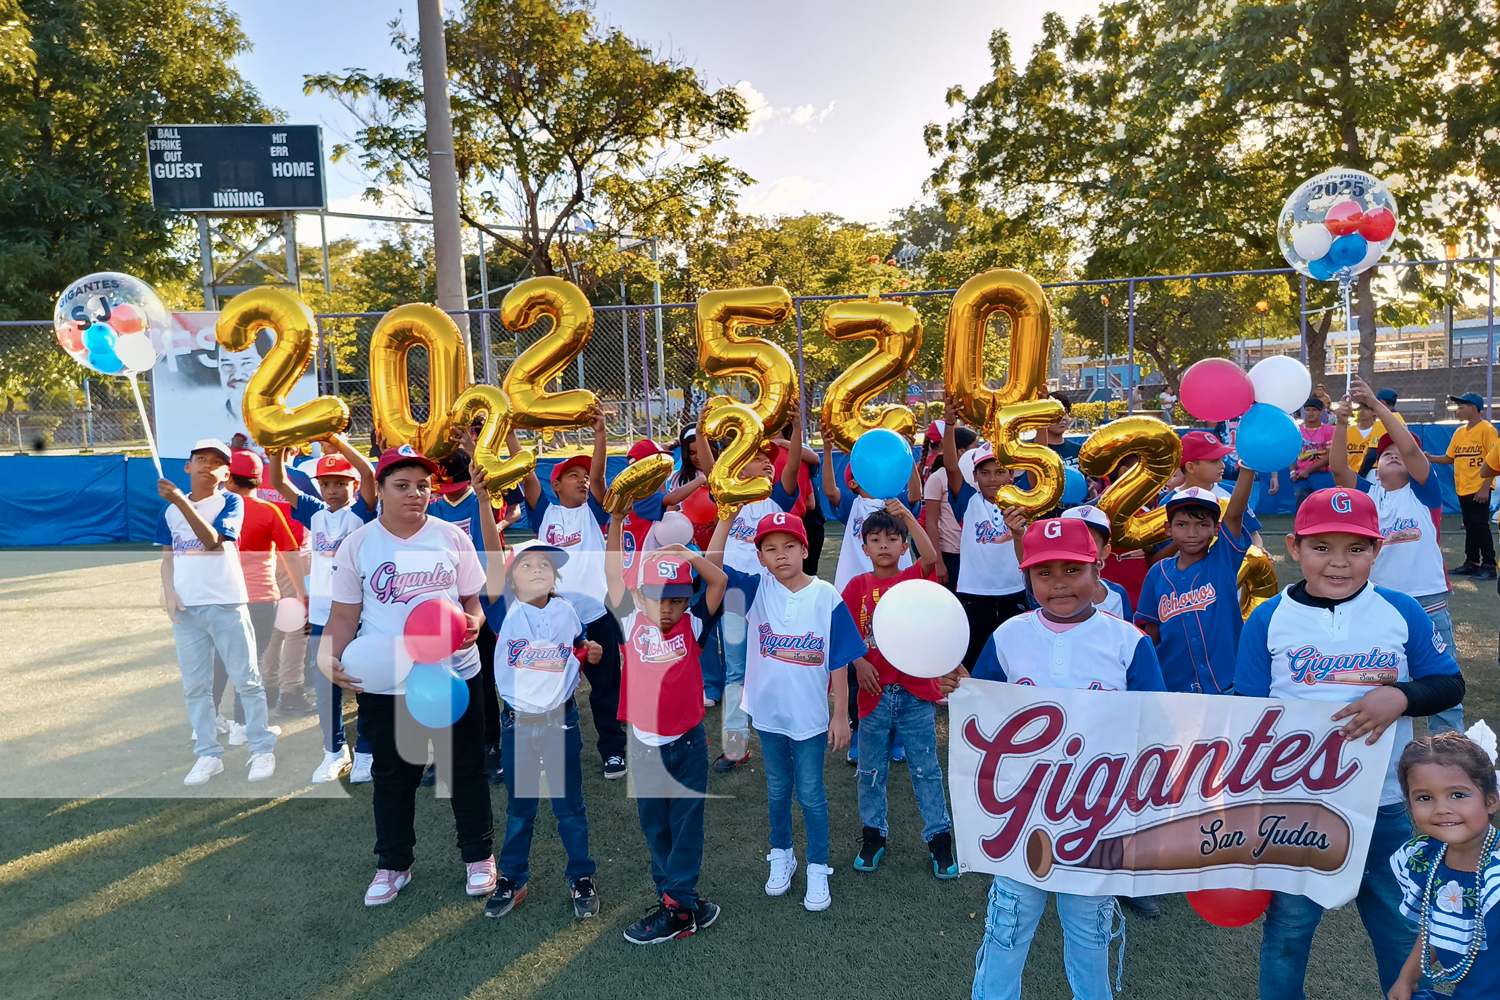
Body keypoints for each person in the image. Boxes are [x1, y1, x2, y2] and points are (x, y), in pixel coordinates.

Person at [1234, 487, 1464, 999]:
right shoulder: (1268, 619)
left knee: (1401, 927)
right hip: (1298, 807)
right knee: (1289, 930)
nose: (1338, 563)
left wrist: (1400, 697)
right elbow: (1247, 714)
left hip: (1383, 803)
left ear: (1377, 551)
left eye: (1356, 549)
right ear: (1294, 547)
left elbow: (1449, 683)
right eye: (1322, 548)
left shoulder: (1401, 610)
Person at [941, 517, 1165, 1000]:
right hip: (1020, 813)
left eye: (1073, 569)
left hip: (1095, 818)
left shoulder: (1129, 642)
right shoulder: (1008, 636)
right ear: (1027, 578)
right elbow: (985, 713)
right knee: (1007, 929)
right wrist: (963, 692)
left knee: (1088, 935)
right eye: (1044, 573)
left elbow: (1157, 726)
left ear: (1098, 567)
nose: (1059, 583)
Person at [322, 446, 496, 907]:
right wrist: (329, 660)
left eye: (423, 485)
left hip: (453, 674)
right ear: (378, 490)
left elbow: (473, 603)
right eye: (402, 485)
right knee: (393, 774)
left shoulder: (451, 536)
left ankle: (478, 857)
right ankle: (393, 864)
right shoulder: (359, 544)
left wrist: (474, 624)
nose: (415, 494)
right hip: (387, 680)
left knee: (464, 768)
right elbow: (343, 617)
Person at [707, 509, 865, 912]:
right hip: (768, 714)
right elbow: (712, 569)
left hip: (810, 717)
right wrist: (725, 517)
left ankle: (817, 864)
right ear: (759, 557)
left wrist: (841, 713)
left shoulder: (826, 594)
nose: (780, 555)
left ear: (805, 549)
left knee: (811, 794)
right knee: (778, 788)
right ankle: (782, 854)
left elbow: (840, 660)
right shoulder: (756, 589)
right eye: (770, 549)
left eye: (789, 546)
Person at [604, 530, 727, 944]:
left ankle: (676, 907)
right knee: (655, 827)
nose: (669, 608)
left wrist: (682, 553)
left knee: (686, 826)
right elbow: (612, 576)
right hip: (644, 748)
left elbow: (719, 581)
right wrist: (617, 517)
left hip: (688, 745)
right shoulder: (628, 621)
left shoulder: (693, 624)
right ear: (640, 598)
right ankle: (678, 900)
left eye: (677, 599)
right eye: (659, 598)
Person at [1331, 376, 1463, 736]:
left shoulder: (1423, 491)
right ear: (1374, 466)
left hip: (1427, 601)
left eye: (1400, 453)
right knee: (1380, 680)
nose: (1393, 453)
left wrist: (1376, 406)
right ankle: (1385, 751)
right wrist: (1341, 423)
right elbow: (1338, 468)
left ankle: (1451, 749)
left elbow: (1407, 447)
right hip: (1378, 604)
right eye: (1384, 452)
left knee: (1440, 683)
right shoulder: (1367, 495)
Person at [482, 541, 604, 921]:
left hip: (561, 723)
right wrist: (485, 501)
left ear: (555, 577)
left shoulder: (567, 611)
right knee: (521, 809)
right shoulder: (505, 611)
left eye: (545, 565)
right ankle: (513, 878)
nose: (537, 570)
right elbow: (489, 548)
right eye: (526, 565)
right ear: (511, 579)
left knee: (570, 808)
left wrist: (590, 646)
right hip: (518, 725)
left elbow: (580, 640)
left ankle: (581, 876)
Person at [841, 503, 957, 880]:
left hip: (915, 695)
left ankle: (939, 841)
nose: (884, 545)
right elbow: (845, 638)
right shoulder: (856, 587)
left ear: (903, 545)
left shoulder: (913, 579)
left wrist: (907, 516)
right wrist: (859, 663)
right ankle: (873, 836)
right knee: (871, 771)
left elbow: (931, 556)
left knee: (926, 770)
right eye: (875, 539)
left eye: (893, 539)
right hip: (873, 696)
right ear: (864, 547)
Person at [155, 438, 277, 785]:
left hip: (226, 602)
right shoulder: (167, 511)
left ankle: (261, 749)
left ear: (226, 473)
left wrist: (179, 499)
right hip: (187, 610)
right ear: (187, 466)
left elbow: (211, 542)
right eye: (200, 458)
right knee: (196, 687)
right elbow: (168, 557)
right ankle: (208, 755)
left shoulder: (231, 501)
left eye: (217, 462)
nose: (207, 464)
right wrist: (169, 594)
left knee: (247, 680)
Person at [517, 407, 628, 779]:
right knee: (550, 686)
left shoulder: (594, 511)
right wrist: (507, 429)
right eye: (573, 476)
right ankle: (549, 750)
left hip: (595, 614)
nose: (582, 481)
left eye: (584, 476)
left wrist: (600, 433)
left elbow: (599, 478)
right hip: (552, 617)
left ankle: (613, 750)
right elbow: (525, 471)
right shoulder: (543, 512)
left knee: (605, 688)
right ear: (557, 484)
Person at [694, 399, 803, 771]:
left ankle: (793, 732)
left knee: (782, 662)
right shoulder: (726, 493)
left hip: (774, 591)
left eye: (768, 456)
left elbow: (792, 467)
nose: (768, 461)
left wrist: (797, 426)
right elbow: (710, 466)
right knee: (738, 670)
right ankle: (736, 746)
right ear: (739, 462)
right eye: (759, 456)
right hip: (737, 592)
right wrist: (701, 425)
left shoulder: (777, 498)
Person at [268, 437, 378, 785]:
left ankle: (367, 752)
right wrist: (275, 445)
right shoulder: (314, 513)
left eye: (340, 483)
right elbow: (277, 482)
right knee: (325, 685)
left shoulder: (361, 512)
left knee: (365, 683)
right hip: (321, 614)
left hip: (358, 614)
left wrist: (336, 442)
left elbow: (369, 473)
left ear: (352, 486)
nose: (332, 490)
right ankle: (334, 752)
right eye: (326, 484)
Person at [430, 439, 517, 785]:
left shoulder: (478, 504)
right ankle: (447, 751)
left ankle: (490, 745)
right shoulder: (434, 507)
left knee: (482, 680)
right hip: (440, 604)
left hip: (479, 603)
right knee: (440, 681)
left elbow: (489, 559)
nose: (451, 492)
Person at [1388, 731, 1500, 1000]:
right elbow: (1439, 925)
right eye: (1424, 798)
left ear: (1491, 800)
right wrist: (1407, 977)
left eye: (1458, 795)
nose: (1441, 808)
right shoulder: (1429, 859)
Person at [1133, 467, 1255, 696]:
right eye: (1182, 525)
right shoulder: (1158, 573)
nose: (1192, 533)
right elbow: (1151, 631)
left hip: (1226, 681)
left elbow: (1235, 514)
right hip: (1173, 683)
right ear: (1168, 529)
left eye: (1202, 525)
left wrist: (1247, 467)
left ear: (1216, 529)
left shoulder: (1222, 561)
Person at [941, 397, 1030, 669]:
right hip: (973, 590)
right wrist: (949, 423)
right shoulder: (967, 499)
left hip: (1014, 589)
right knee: (974, 653)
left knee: (1013, 654)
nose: (993, 479)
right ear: (975, 476)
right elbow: (951, 466)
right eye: (985, 472)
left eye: (1000, 472)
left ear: (1012, 475)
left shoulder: (1023, 500)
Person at [222, 449, 306, 721]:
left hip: (224, 594)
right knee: (257, 656)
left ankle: (217, 720)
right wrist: (303, 592)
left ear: (229, 477)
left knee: (227, 660)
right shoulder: (270, 507)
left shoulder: (214, 507)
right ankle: (249, 717)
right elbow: (291, 552)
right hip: (263, 590)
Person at [1425, 392, 1497, 580]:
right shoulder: (1459, 432)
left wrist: (1485, 487)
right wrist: (1430, 457)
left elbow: (1493, 462)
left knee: (1480, 526)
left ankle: (1489, 565)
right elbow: (1450, 457)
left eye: (1462, 406)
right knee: (1470, 526)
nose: (1458, 410)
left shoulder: (1487, 430)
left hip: (1479, 487)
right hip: (1463, 487)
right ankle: (1472, 562)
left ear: (1473, 407)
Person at [1175, 430, 1264, 548]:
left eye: (1222, 460)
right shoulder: (1170, 500)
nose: (1223, 466)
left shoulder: (1232, 493)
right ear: (1191, 467)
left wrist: (1259, 550)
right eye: (1214, 461)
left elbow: (1252, 534)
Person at [923, 424, 977, 591]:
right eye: (975, 448)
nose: (978, 453)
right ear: (961, 451)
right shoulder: (938, 478)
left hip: (974, 552)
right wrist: (938, 562)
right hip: (950, 555)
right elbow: (931, 522)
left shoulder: (978, 477)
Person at [1057, 505, 1134, 618]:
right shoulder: (1052, 591)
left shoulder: (1117, 594)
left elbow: (1129, 634)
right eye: (1072, 540)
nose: (1080, 548)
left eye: (1089, 542)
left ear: (1105, 551)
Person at [1289, 397, 1336, 509]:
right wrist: (1292, 472)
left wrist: (1309, 470)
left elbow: (1331, 456)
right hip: (1301, 477)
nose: (1310, 413)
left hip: (1322, 475)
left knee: (1324, 509)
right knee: (1303, 510)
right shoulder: (1297, 431)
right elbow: (1290, 453)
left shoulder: (1329, 430)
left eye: (1314, 410)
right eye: (1308, 410)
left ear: (1321, 412)